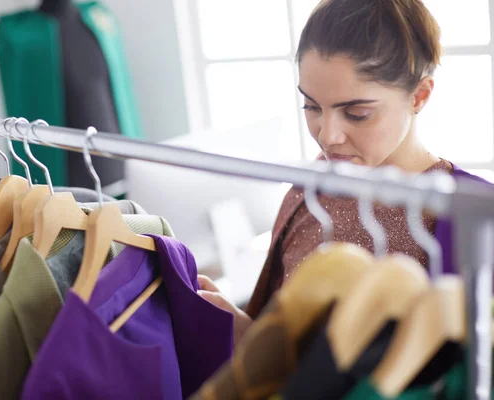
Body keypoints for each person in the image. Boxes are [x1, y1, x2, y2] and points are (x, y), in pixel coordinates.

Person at [197, 0, 489, 346]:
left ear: (419, 96)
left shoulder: (471, 214)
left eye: (356, 112)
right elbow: (279, 347)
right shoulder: (310, 191)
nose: (327, 136)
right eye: (311, 106)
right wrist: (243, 331)